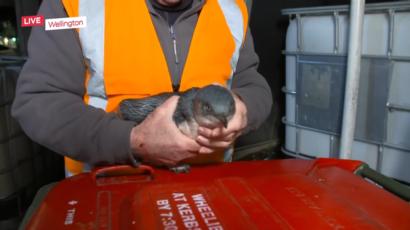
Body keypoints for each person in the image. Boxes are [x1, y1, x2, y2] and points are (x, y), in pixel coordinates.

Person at [12, 0, 272, 176]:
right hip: (108, 189)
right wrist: (133, 140)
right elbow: (39, 102)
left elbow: (251, 82)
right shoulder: (75, 7)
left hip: (208, 190)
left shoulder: (231, 7)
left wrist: (243, 108)